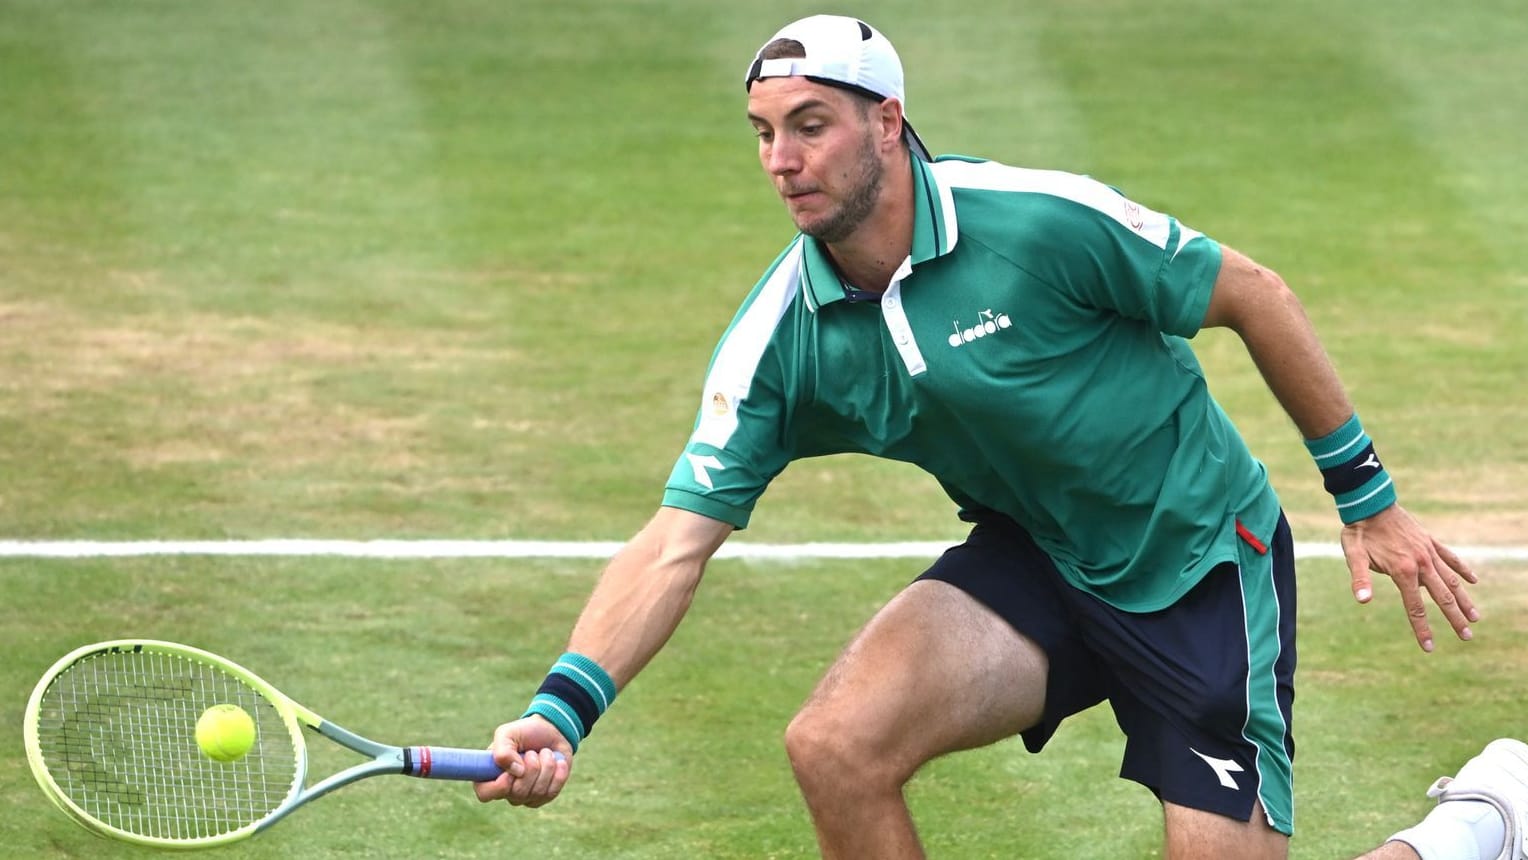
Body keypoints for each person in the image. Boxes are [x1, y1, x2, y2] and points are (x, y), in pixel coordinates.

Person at [472, 14, 1515, 860]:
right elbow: (674, 542)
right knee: (834, 744)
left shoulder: (1033, 221)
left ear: (887, 122)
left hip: (1193, 557)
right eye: (762, 132)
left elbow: (1252, 291)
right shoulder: (781, 338)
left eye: (809, 124)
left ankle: (1472, 826)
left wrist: (1365, 496)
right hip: (1040, 559)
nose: (781, 160)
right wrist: (561, 709)